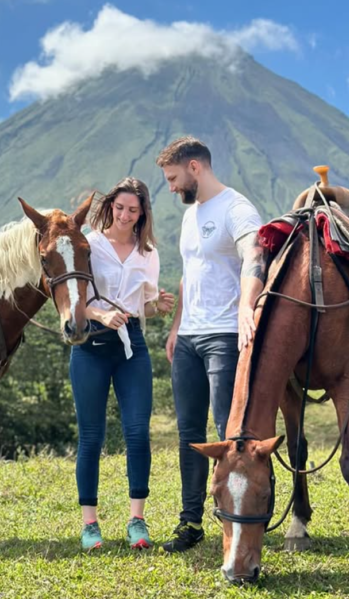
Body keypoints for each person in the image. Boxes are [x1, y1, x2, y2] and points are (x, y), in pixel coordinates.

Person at [156, 136, 267, 552]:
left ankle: (235, 522)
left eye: (172, 177)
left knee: (228, 434)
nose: (169, 187)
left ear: (194, 168)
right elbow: (191, 272)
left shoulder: (237, 208)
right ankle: (190, 523)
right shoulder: (192, 213)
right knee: (189, 433)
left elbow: (255, 257)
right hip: (188, 339)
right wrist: (177, 326)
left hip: (224, 335)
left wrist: (246, 307)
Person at [69, 177, 175, 551]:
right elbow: (73, 299)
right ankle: (90, 525)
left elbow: (141, 306)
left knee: (137, 433)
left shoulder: (148, 253)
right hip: (90, 348)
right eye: (120, 208)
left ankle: (137, 519)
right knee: (92, 437)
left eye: (134, 209)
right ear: (110, 206)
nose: (126, 215)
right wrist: (98, 314)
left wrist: (156, 308)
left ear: (143, 213)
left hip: (133, 346)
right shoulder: (90, 244)